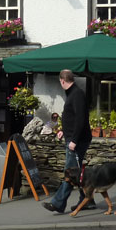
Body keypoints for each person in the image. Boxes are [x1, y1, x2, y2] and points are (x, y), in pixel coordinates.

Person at [43, 69, 92, 214]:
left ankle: (58, 203)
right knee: (76, 172)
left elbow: (80, 119)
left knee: (70, 173)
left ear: (62, 81)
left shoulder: (76, 94)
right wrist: (64, 130)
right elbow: (72, 118)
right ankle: (88, 200)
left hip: (77, 141)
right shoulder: (73, 93)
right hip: (72, 137)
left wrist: (74, 140)